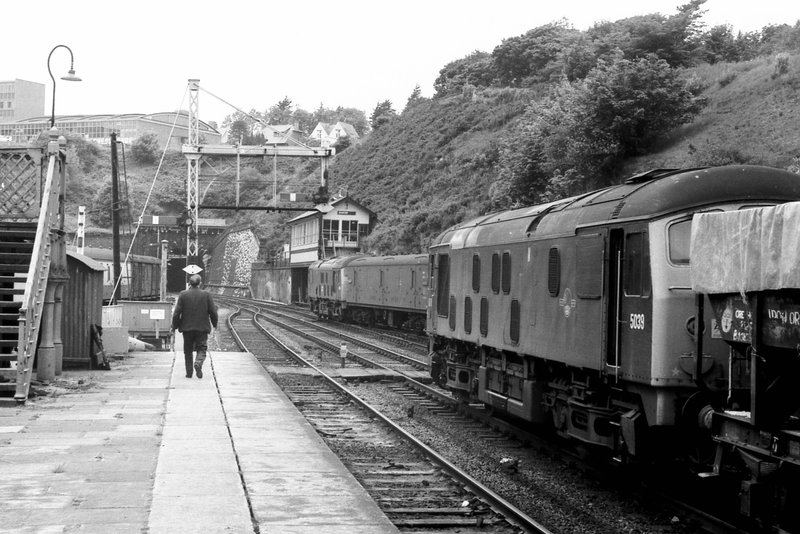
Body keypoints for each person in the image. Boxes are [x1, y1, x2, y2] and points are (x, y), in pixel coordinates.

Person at [171, 274, 218, 379]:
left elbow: (176, 313)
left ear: (189, 283)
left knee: (187, 351)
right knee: (201, 348)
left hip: (187, 329)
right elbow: (213, 312)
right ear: (200, 283)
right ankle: (198, 362)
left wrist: (174, 326)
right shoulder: (206, 295)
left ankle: (189, 373)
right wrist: (215, 324)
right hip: (202, 328)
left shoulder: (183, 294)